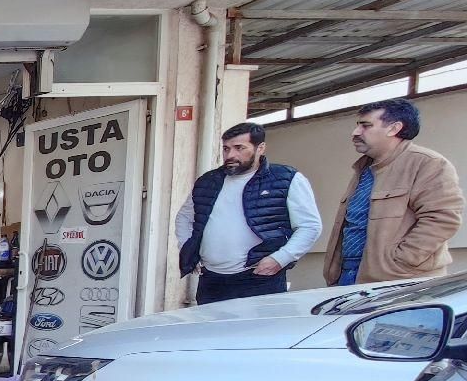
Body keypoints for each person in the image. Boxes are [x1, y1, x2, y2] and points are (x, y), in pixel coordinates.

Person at [322, 99, 464, 287]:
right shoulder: (364, 169)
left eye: (366, 126)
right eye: (357, 126)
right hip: (349, 275)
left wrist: (402, 261)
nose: (355, 132)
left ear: (394, 128)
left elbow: (443, 218)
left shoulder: (428, 163)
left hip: (401, 282)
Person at [176, 121, 321, 305]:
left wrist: (280, 258)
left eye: (239, 148)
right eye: (226, 149)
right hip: (211, 281)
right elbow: (184, 218)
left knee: (258, 333)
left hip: (259, 279)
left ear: (260, 148)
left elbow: (310, 226)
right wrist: (187, 248)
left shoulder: (286, 178)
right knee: (212, 332)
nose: (230, 155)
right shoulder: (208, 181)